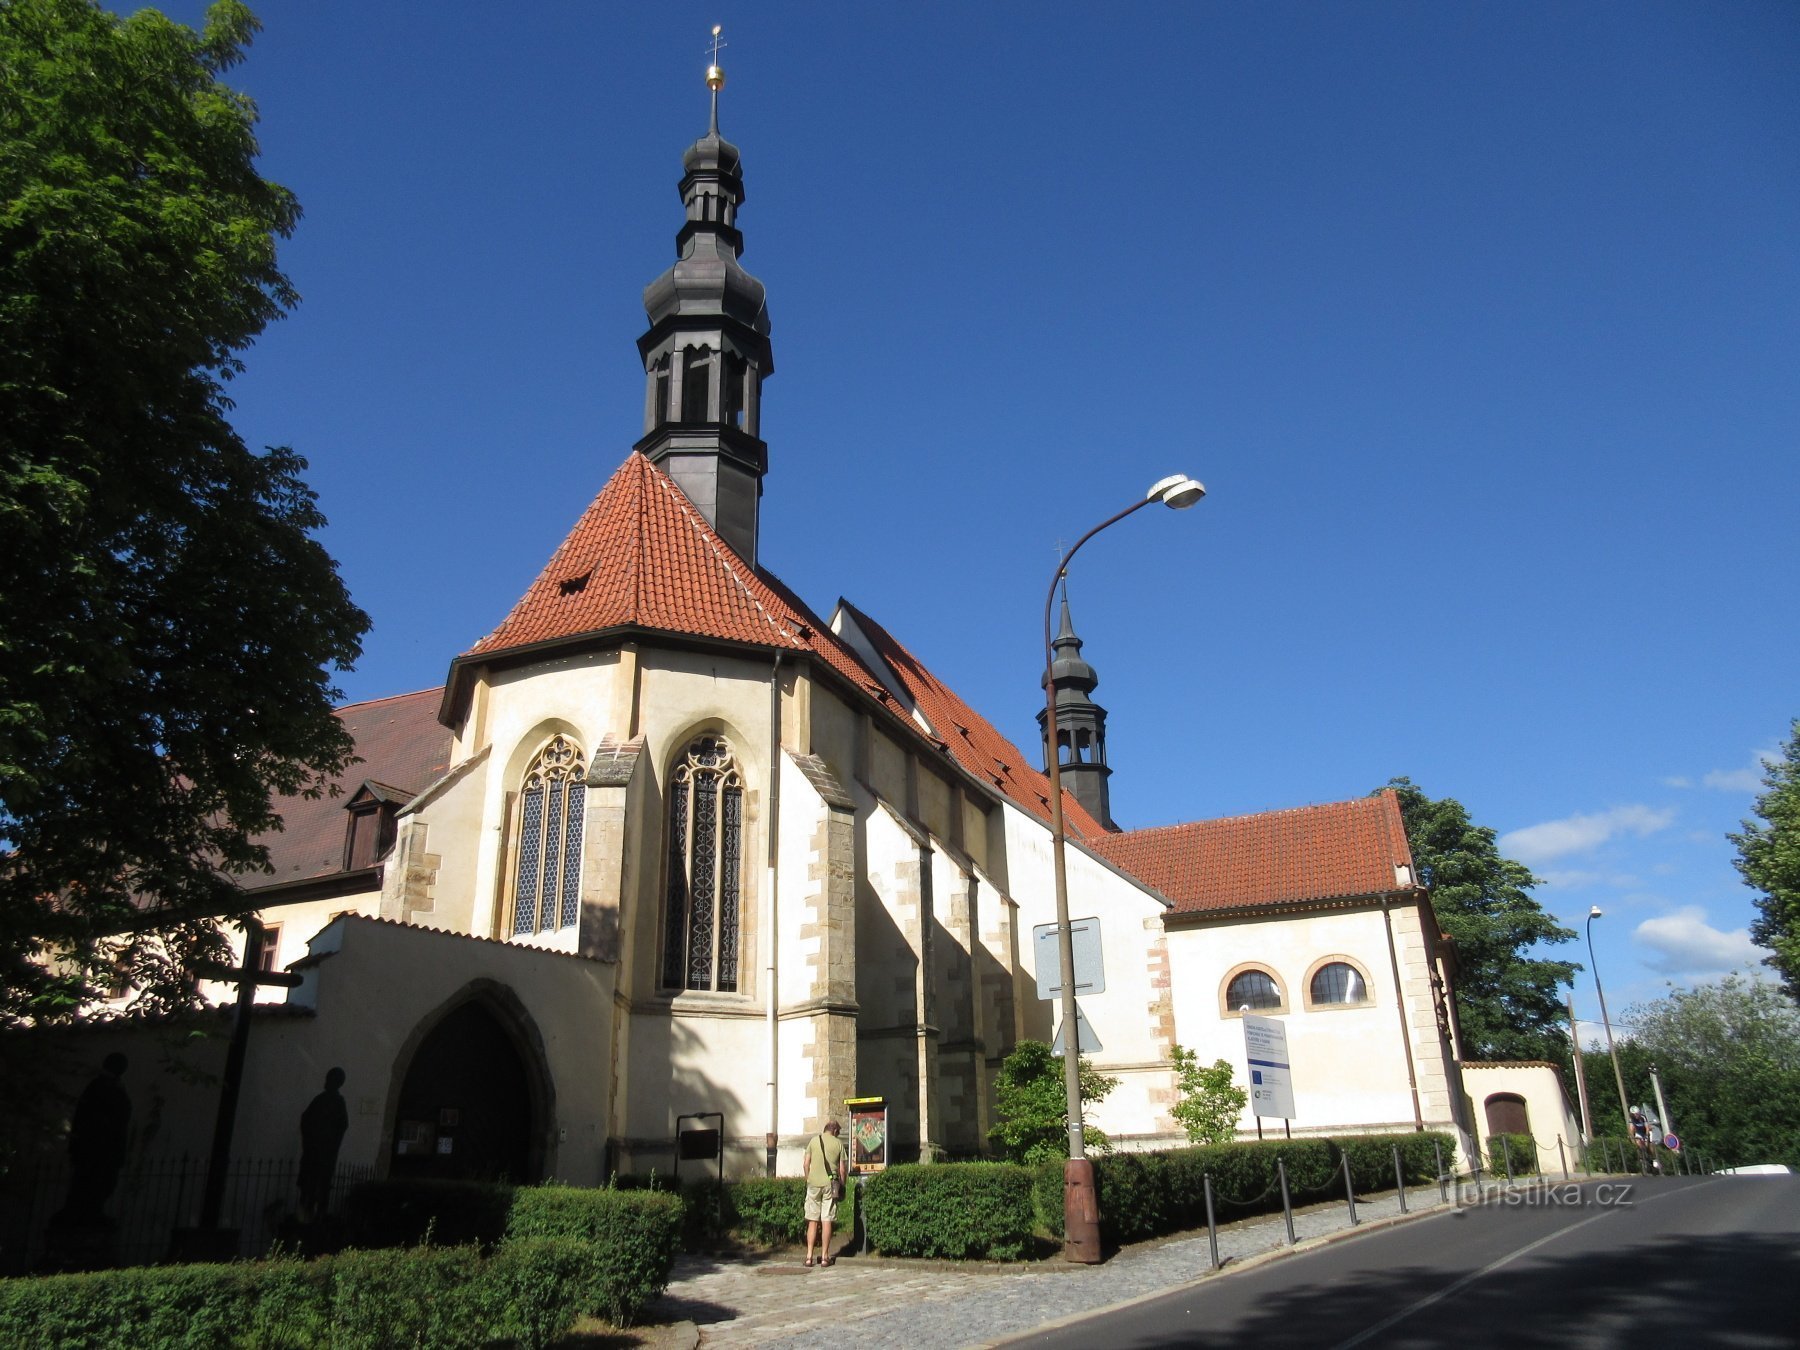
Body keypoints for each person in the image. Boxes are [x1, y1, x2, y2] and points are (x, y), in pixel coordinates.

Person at [65, 1052, 131, 1218]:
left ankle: (89, 1214)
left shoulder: (104, 1086)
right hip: (98, 1149)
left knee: (100, 1185)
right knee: (94, 1184)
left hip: (102, 1150)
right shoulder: (102, 1087)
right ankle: (86, 1215)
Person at [297, 1067, 349, 1222]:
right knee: (312, 1188)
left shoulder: (334, 1102)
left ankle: (313, 1218)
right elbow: (306, 1120)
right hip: (317, 1153)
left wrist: (322, 1139)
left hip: (322, 1154)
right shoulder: (322, 1100)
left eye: (330, 1079)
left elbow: (342, 1126)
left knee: (317, 1188)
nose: (327, 1082)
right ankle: (309, 1218)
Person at [802, 1118, 848, 1269]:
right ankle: (825, 1257)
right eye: (838, 1133)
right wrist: (843, 1184)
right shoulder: (838, 1144)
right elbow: (842, 1169)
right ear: (835, 1131)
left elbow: (805, 1163)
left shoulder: (814, 1141)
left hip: (813, 1183)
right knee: (827, 1218)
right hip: (830, 1185)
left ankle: (809, 1257)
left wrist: (808, 1178)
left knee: (812, 1220)